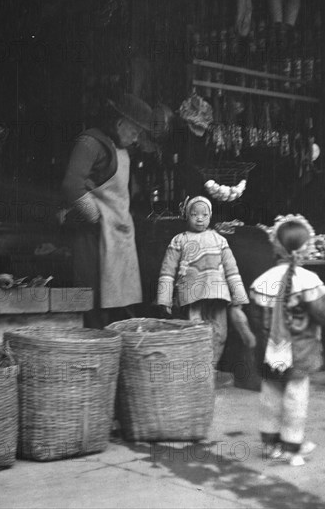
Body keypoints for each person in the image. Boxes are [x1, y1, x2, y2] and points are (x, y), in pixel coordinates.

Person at [249, 214, 325, 466]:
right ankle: (292, 446)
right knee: (295, 397)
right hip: (299, 352)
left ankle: (270, 444)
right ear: (304, 248)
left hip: (268, 351)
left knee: (270, 394)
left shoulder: (261, 281)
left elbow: (254, 318)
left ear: (276, 247)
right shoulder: (308, 281)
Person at [61, 93, 153, 328]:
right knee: (93, 303)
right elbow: (71, 185)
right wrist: (95, 217)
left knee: (116, 306)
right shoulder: (90, 143)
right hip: (92, 237)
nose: (136, 139)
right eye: (134, 132)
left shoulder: (119, 149)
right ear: (120, 123)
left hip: (117, 234)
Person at [156, 196, 252, 364]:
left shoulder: (219, 240)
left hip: (218, 295)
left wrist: (239, 295)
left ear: (210, 216)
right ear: (187, 216)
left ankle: (211, 367)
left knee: (219, 332)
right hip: (192, 295)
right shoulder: (179, 240)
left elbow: (231, 269)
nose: (199, 218)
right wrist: (164, 299)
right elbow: (168, 271)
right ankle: (196, 369)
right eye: (194, 214)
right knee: (195, 332)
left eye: (204, 215)